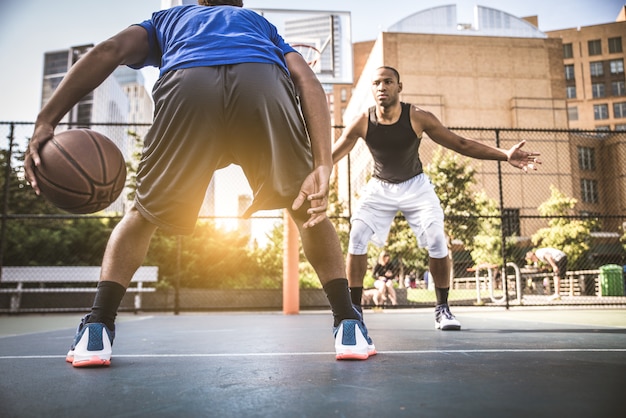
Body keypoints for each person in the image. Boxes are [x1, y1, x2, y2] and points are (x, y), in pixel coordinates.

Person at [24, 1, 375, 366]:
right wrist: (322, 164)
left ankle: (96, 328)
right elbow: (307, 81)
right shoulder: (258, 24)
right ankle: (348, 322)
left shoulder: (169, 18)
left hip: (189, 86)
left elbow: (109, 50)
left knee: (142, 213)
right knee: (307, 208)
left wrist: (46, 120)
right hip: (262, 82)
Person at [332, 66, 541, 331]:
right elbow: (332, 156)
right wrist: (305, 174)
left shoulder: (418, 117)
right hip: (379, 187)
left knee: (436, 238)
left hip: (416, 186)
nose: (382, 87)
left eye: (388, 82)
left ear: (399, 87)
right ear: (372, 89)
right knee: (357, 235)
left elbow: (460, 144)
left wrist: (504, 154)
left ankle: (443, 309)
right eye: (377, 83)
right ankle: (355, 310)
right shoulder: (363, 120)